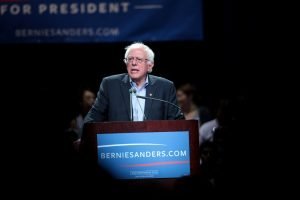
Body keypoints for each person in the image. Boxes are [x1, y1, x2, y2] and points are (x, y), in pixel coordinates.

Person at [84, 42, 183, 123]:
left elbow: (177, 121)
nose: (133, 63)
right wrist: (84, 139)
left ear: (150, 65)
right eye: (130, 59)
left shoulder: (165, 87)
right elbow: (93, 118)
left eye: (139, 59)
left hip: (154, 145)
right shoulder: (110, 85)